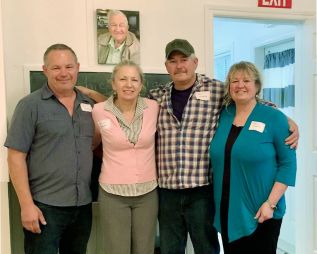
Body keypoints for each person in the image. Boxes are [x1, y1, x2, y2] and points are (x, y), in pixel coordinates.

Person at [77, 39, 299, 254]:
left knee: (205, 248)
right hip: (166, 192)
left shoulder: (216, 90)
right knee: (171, 249)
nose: (179, 65)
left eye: (184, 59)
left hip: (202, 190)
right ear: (166, 66)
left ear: (195, 62)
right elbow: (122, 102)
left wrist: (288, 121)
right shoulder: (156, 97)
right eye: (173, 61)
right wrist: (91, 94)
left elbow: (247, 98)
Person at [4, 44, 95, 254]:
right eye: (56, 68)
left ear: (77, 68)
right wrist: (26, 206)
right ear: (45, 70)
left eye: (69, 66)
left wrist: (91, 92)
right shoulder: (30, 106)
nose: (64, 73)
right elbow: (15, 157)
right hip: (44, 208)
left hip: (82, 207)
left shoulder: (87, 104)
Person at [209, 61, 297, 254]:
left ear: (257, 86)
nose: (240, 85)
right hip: (228, 208)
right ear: (229, 87)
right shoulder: (223, 115)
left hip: (262, 211)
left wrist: (270, 203)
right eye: (235, 81)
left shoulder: (273, 117)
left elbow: (288, 165)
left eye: (246, 80)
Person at [92, 60, 159, 254]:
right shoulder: (98, 111)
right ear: (113, 84)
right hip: (112, 194)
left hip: (147, 193)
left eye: (134, 80)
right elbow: (93, 143)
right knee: (116, 250)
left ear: (141, 85)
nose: (128, 84)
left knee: (144, 249)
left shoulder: (153, 108)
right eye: (122, 79)